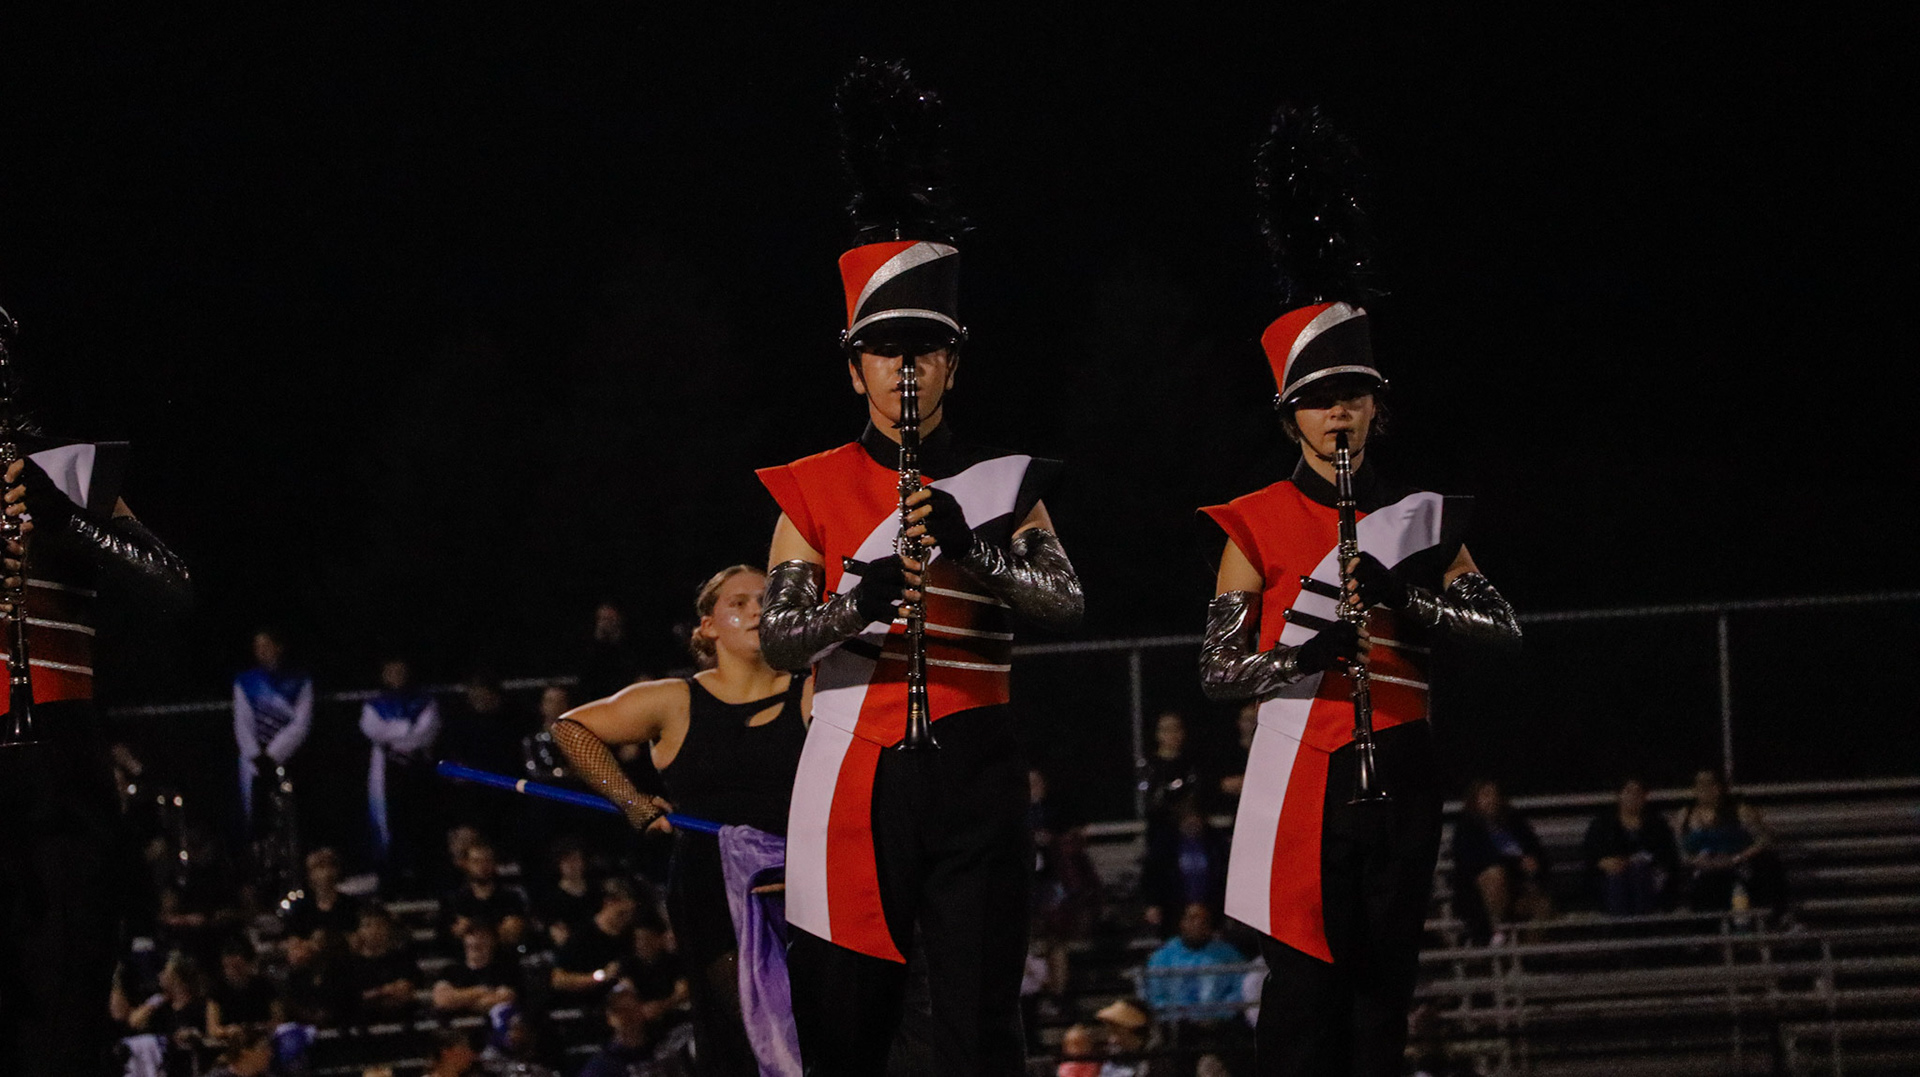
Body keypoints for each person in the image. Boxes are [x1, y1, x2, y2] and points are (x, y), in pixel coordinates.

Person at [746, 59, 1083, 1077]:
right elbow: (779, 639)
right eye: (885, 349)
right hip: (854, 761)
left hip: (978, 761)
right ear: (853, 366)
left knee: (981, 1016)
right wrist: (862, 598)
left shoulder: (1005, 479)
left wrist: (977, 547)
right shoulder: (807, 487)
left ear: (954, 363)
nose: (905, 366)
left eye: (924, 349)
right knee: (848, 1015)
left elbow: (1066, 602)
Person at [1195, 105, 1520, 1076]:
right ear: (1289, 413)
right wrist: (1303, 653)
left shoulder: (1423, 517)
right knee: (1303, 993)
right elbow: (1216, 671)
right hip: (1301, 769)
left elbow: (1501, 626)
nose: (1338, 414)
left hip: (1405, 765)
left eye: (1353, 396)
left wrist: (1406, 598)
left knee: (1384, 995)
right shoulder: (1253, 521)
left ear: (1379, 403)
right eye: (1318, 400)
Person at [0, 344, 193, 1077]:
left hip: (57, 759)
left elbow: (172, 589)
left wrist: (66, 521)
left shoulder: (68, 466)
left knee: (65, 1001)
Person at [552, 564, 809, 1075]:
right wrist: (632, 801)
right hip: (714, 887)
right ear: (708, 627)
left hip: (803, 878)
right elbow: (572, 729)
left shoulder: (812, 690)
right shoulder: (674, 699)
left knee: (821, 1028)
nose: (756, 610)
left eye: (765, 599)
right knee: (750, 1033)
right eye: (738, 603)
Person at [359, 657, 441, 880]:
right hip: (387, 773)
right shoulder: (374, 704)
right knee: (389, 825)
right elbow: (372, 729)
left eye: (400, 670)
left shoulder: (425, 701)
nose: (396, 676)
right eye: (391, 671)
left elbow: (427, 732)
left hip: (418, 770)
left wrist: (396, 735)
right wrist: (406, 728)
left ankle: (423, 876)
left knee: (420, 823)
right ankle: (391, 877)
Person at [1450, 779, 1553, 943]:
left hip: (1516, 890)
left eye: (1494, 794)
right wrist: (1512, 863)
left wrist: (1533, 864)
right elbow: (1471, 863)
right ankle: (1497, 933)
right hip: (1478, 898)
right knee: (1495, 876)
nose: (1491, 800)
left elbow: (1536, 853)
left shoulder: (1514, 823)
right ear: (1475, 799)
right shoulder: (1467, 828)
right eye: (1485, 795)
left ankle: (1526, 953)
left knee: (1543, 907)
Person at [231, 628, 312, 830]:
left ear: (279, 647)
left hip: (290, 756)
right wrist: (256, 756)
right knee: (257, 817)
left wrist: (273, 755)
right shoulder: (245, 681)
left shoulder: (300, 680)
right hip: (256, 762)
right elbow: (242, 722)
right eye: (257, 647)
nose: (261, 651)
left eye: (266, 645)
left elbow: (301, 723)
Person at [1676, 769, 1788, 915]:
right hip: (1701, 868)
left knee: (1763, 868)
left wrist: (1737, 858)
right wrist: (1695, 861)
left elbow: (1764, 840)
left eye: (1711, 784)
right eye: (1701, 784)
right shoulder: (1685, 815)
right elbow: (1679, 848)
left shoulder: (1741, 811)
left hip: (1735, 865)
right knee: (1704, 885)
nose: (1706, 789)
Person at [1581, 776, 1681, 916]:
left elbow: (1668, 856)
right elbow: (1591, 854)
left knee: (1638, 871)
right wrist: (1603, 862)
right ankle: (1620, 922)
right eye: (1628, 792)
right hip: (1611, 878)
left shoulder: (1657, 824)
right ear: (1619, 795)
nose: (1633, 797)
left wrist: (1641, 863)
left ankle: (1643, 920)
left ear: (1644, 797)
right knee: (1617, 876)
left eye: (1638, 793)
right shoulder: (1602, 825)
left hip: (1649, 876)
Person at [1142, 904, 1248, 1013]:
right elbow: (1155, 995)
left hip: (1219, 1020)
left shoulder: (1229, 955)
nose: (1198, 923)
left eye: (1204, 920)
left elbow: (1240, 990)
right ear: (1182, 922)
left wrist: (1219, 1013)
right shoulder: (1162, 957)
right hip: (1173, 1020)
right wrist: (1177, 1014)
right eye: (1192, 918)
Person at [430, 919, 520, 1016]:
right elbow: (443, 1000)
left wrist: (459, 999)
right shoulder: (450, 971)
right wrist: (480, 991)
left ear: (493, 941)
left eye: (482, 936)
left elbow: (502, 1000)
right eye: (471, 935)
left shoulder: (504, 971)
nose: (476, 941)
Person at [284, 846, 362, 942]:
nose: (326, 873)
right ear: (310, 874)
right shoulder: (301, 908)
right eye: (320, 867)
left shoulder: (351, 905)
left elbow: (357, 937)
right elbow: (293, 939)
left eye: (330, 866)